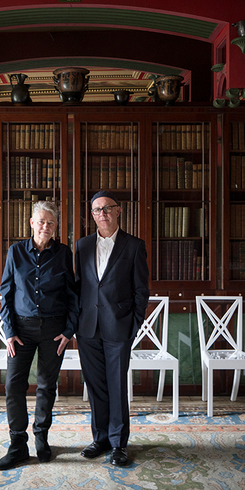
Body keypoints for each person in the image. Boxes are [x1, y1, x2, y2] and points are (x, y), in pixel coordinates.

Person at [0, 200, 79, 471]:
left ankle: (41, 436)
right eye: (41, 221)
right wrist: (8, 332)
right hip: (21, 330)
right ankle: (17, 444)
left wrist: (69, 331)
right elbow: (6, 294)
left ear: (56, 227)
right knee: (13, 386)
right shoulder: (15, 252)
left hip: (54, 331)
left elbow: (73, 295)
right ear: (31, 223)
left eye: (50, 223)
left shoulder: (64, 253)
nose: (45, 226)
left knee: (46, 385)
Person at [74, 190, 149, 467]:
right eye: (96, 210)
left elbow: (142, 291)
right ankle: (101, 437)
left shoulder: (134, 246)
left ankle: (118, 444)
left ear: (118, 211)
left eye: (107, 208)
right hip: (87, 328)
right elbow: (80, 287)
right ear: (92, 215)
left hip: (119, 328)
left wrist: (134, 324)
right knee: (96, 387)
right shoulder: (81, 246)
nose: (102, 213)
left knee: (117, 386)